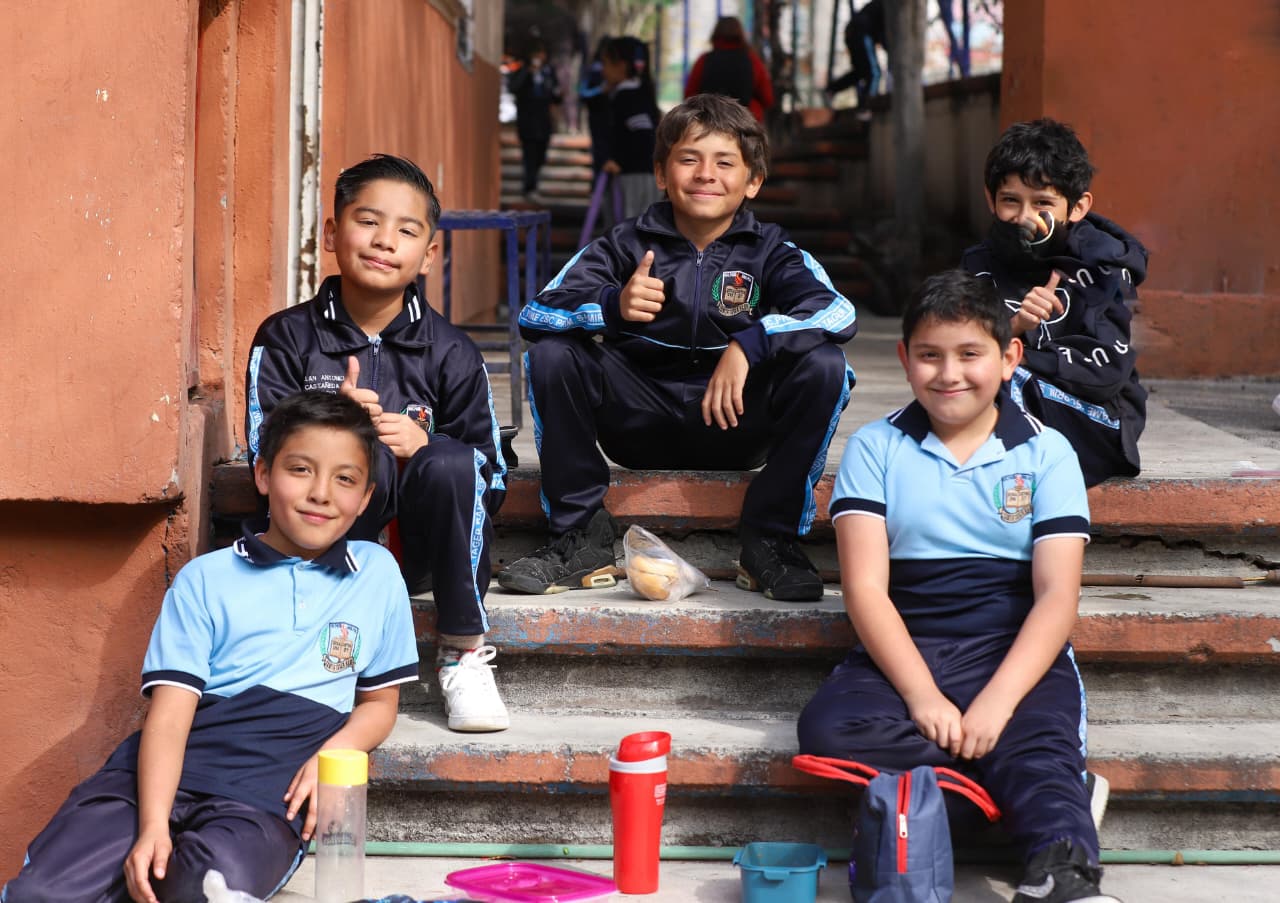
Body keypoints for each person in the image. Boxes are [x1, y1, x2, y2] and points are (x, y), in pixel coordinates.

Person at [3, 392, 419, 903]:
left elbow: (380, 703)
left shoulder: (375, 575)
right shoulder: (205, 578)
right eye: (300, 470)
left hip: (265, 793)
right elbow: (170, 714)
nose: (321, 494)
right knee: (42, 894)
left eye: (345, 479)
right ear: (263, 474)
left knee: (206, 889)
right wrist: (153, 825)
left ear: (366, 496)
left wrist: (332, 754)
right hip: (153, 780)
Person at [797, 271, 1119, 903]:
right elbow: (866, 589)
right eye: (930, 355)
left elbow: (1057, 596)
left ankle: (1063, 873)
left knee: (1035, 743)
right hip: (906, 646)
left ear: (1009, 358)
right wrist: (922, 697)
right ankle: (1016, 789)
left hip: (1012, 648)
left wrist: (996, 703)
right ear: (904, 359)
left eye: (971, 354)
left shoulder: (1048, 453)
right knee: (829, 727)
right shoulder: (875, 447)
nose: (950, 374)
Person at [499, 93, 857, 602]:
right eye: (689, 159)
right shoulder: (624, 244)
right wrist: (613, 306)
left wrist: (751, 343)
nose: (706, 174)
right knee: (553, 354)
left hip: (736, 425)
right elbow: (537, 313)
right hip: (637, 424)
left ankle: (771, 540)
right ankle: (579, 537)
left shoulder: (773, 251)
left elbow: (836, 312)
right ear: (662, 174)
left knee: (825, 364)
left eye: (725, 162)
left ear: (753, 180)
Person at [245, 154, 511, 733]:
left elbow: (492, 478)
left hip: (420, 553)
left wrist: (426, 444)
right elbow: (261, 460)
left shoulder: (452, 351)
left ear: (429, 254)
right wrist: (333, 428)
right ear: (332, 233)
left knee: (453, 461)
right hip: (324, 548)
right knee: (341, 457)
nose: (385, 240)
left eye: (407, 230)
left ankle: (462, 649)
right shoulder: (286, 338)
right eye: (367, 221)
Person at [961, 118, 1148, 487]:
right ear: (990, 199)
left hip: (1099, 420)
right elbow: (958, 346)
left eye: (1043, 202)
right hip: (1011, 405)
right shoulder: (978, 263)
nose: (1025, 218)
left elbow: (1107, 372)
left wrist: (1019, 357)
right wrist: (1014, 327)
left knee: (1002, 380)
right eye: (1010, 200)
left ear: (1077, 207)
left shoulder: (1105, 269)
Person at [599, 36, 662, 219]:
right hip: (639, 174)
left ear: (621, 66)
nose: (603, 70)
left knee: (631, 227)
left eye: (606, 63)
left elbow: (642, 135)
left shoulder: (628, 97)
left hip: (635, 176)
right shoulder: (639, 92)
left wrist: (619, 160)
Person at [683, 16, 774, 122]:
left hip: (710, 123)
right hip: (744, 122)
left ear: (715, 34)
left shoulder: (703, 60)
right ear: (741, 35)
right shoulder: (753, 61)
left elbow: (689, 96)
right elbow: (768, 99)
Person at [509, 41, 563, 200]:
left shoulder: (548, 73)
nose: (539, 57)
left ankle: (532, 183)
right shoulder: (522, 71)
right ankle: (529, 187)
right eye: (536, 54)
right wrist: (528, 73)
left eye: (541, 53)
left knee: (540, 155)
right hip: (527, 121)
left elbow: (555, 96)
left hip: (543, 121)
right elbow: (514, 88)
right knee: (529, 155)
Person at [824, 0, 887, 119]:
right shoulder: (889, 8)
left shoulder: (882, 6)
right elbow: (885, 37)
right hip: (860, 33)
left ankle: (832, 89)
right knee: (874, 73)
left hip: (853, 31)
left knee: (861, 71)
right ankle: (866, 107)